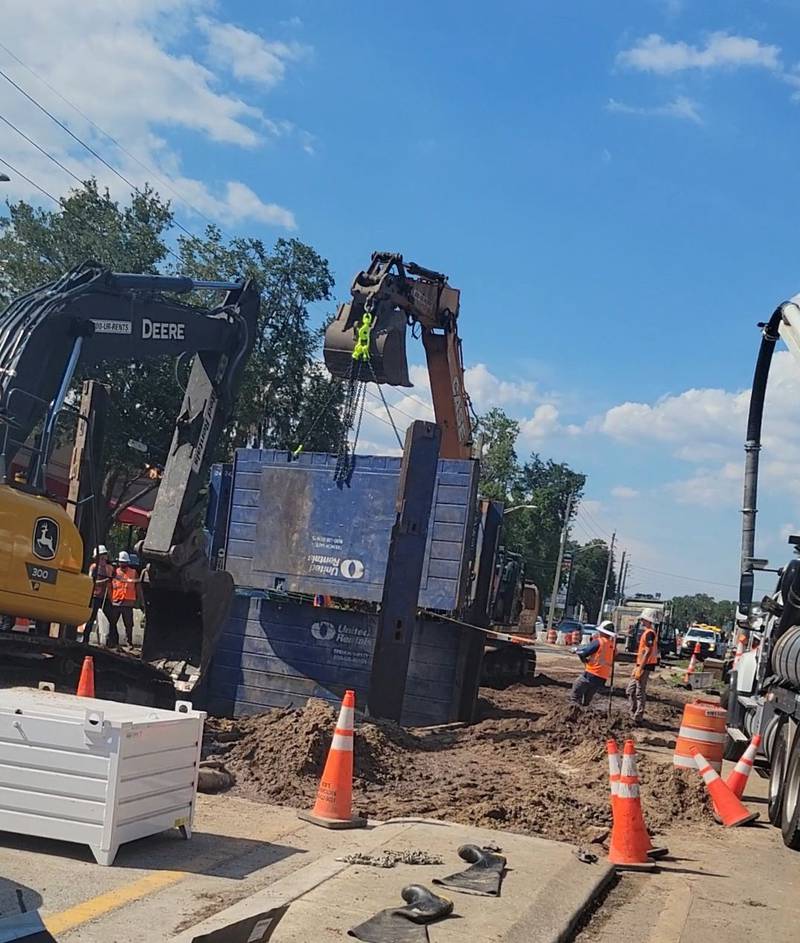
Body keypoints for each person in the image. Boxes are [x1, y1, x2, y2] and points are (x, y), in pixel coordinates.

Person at [568, 621, 617, 707]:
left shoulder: (599, 642)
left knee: (576, 692)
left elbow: (585, 652)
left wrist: (577, 652)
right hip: (603, 676)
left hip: (592, 673)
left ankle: (573, 712)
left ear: (601, 631)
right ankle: (585, 712)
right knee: (588, 697)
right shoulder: (612, 646)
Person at [626, 606, 660, 723]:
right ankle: (633, 711)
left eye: (643, 619)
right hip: (640, 664)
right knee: (630, 690)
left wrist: (641, 668)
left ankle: (638, 715)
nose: (641, 621)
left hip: (644, 665)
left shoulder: (649, 633)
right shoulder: (648, 633)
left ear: (648, 620)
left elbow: (648, 651)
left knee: (639, 691)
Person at [109, 550, 141, 649]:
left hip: (128, 602)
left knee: (129, 624)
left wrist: (138, 600)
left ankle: (129, 642)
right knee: (113, 622)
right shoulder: (114, 572)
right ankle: (112, 641)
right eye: (122, 562)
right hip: (116, 601)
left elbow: (137, 587)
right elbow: (110, 586)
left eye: (125, 563)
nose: (123, 564)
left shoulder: (133, 572)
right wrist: (110, 598)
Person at [85, 545, 114, 644]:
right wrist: (103, 582)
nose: (103, 558)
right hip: (95, 596)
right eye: (100, 556)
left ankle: (113, 642)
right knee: (91, 619)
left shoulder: (109, 568)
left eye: (104, 555)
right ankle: (85, 639)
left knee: (112, 619)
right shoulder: (93, 568)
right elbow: (91, 582)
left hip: (106, 597)